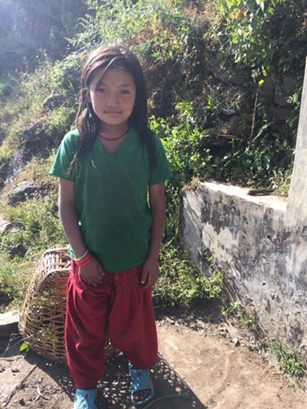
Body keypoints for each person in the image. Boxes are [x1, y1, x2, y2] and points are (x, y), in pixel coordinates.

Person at [50, 44, 173, 409]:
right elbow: (67, 206)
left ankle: (140, 368)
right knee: (84, 334)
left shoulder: (149, 145)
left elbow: (158, 205)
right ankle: (86, 387)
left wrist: (153, 257)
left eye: (124, 89)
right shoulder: (74, 146)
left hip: (135, 262)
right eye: (102, 88)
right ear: (87, 91)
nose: (112, 100)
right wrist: (83, 257)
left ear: (138, 96)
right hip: (90, 265)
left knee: (137, 328)